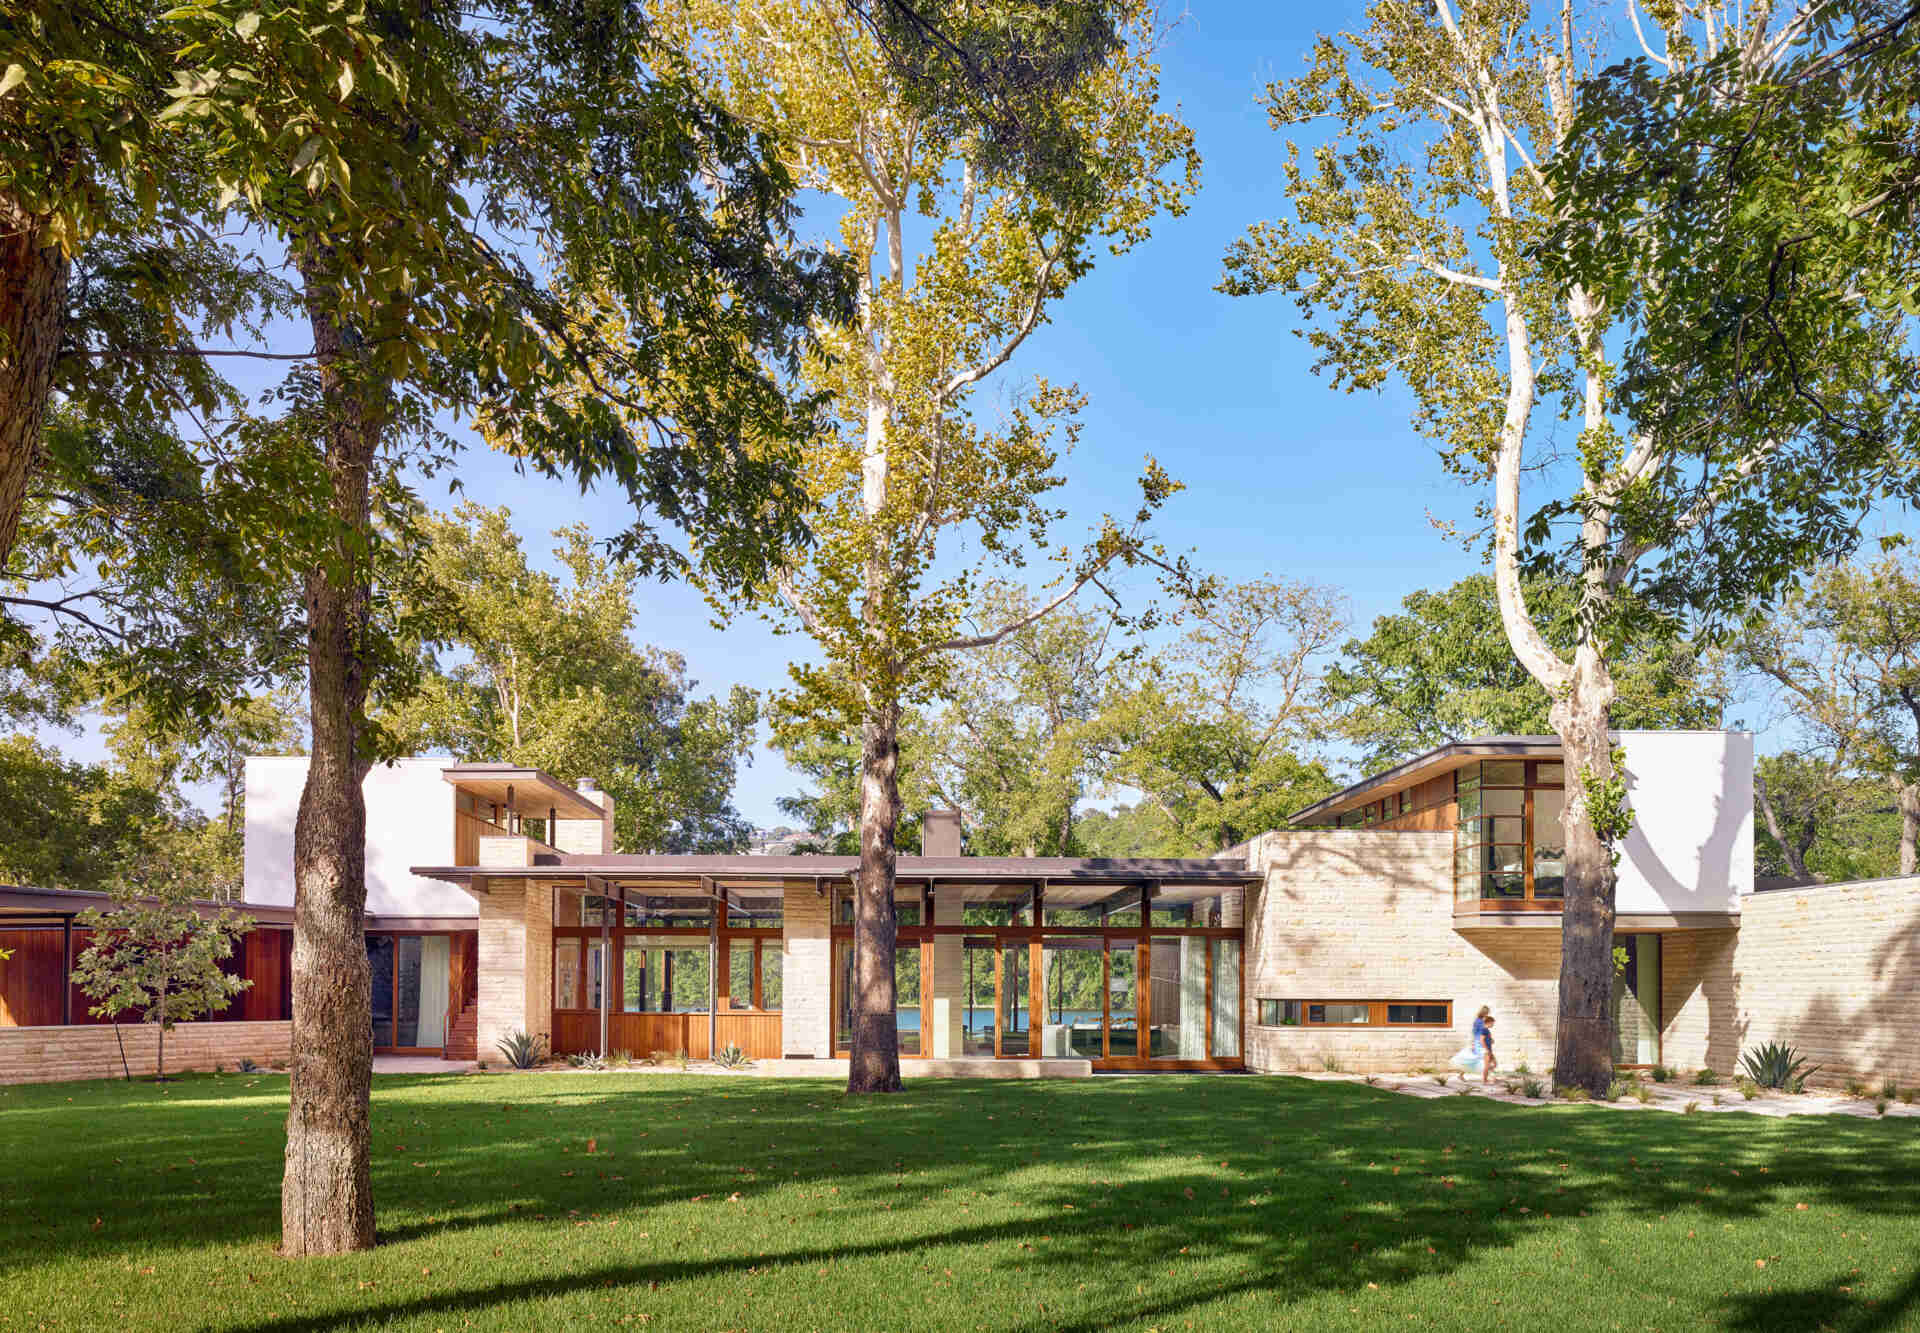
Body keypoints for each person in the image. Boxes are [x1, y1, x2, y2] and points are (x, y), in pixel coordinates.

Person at [1470, 1005, 1497, 1083]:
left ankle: (1490, 1077)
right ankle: (1486, 1079)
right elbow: (1478, 1034)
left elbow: (1485, 1032)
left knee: (1492, 1063)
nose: (1487, 1014)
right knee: (1486, 1063)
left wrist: (1490, 1039)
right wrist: (1474, 1043)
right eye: (1487, 1013)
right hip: (1481, 1045)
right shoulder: (1479, 1022)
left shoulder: (1483, 1022)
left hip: (1485, 1045)